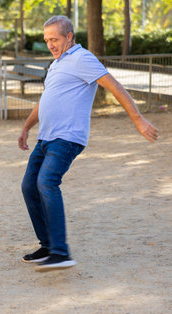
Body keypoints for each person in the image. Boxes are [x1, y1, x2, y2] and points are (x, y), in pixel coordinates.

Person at [18, 16, 159, 272]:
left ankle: (61, 252)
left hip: (67, 138)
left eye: (55, 39)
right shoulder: (57, 63)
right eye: (47, 39)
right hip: (45, 138)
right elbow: (46, 99)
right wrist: (27, 126)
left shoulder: (82, 58)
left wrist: (137, 119)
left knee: (46, 181)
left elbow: (115, 86)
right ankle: (48, 245)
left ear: (69, 36)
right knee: (29, 186)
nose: (50, 44)